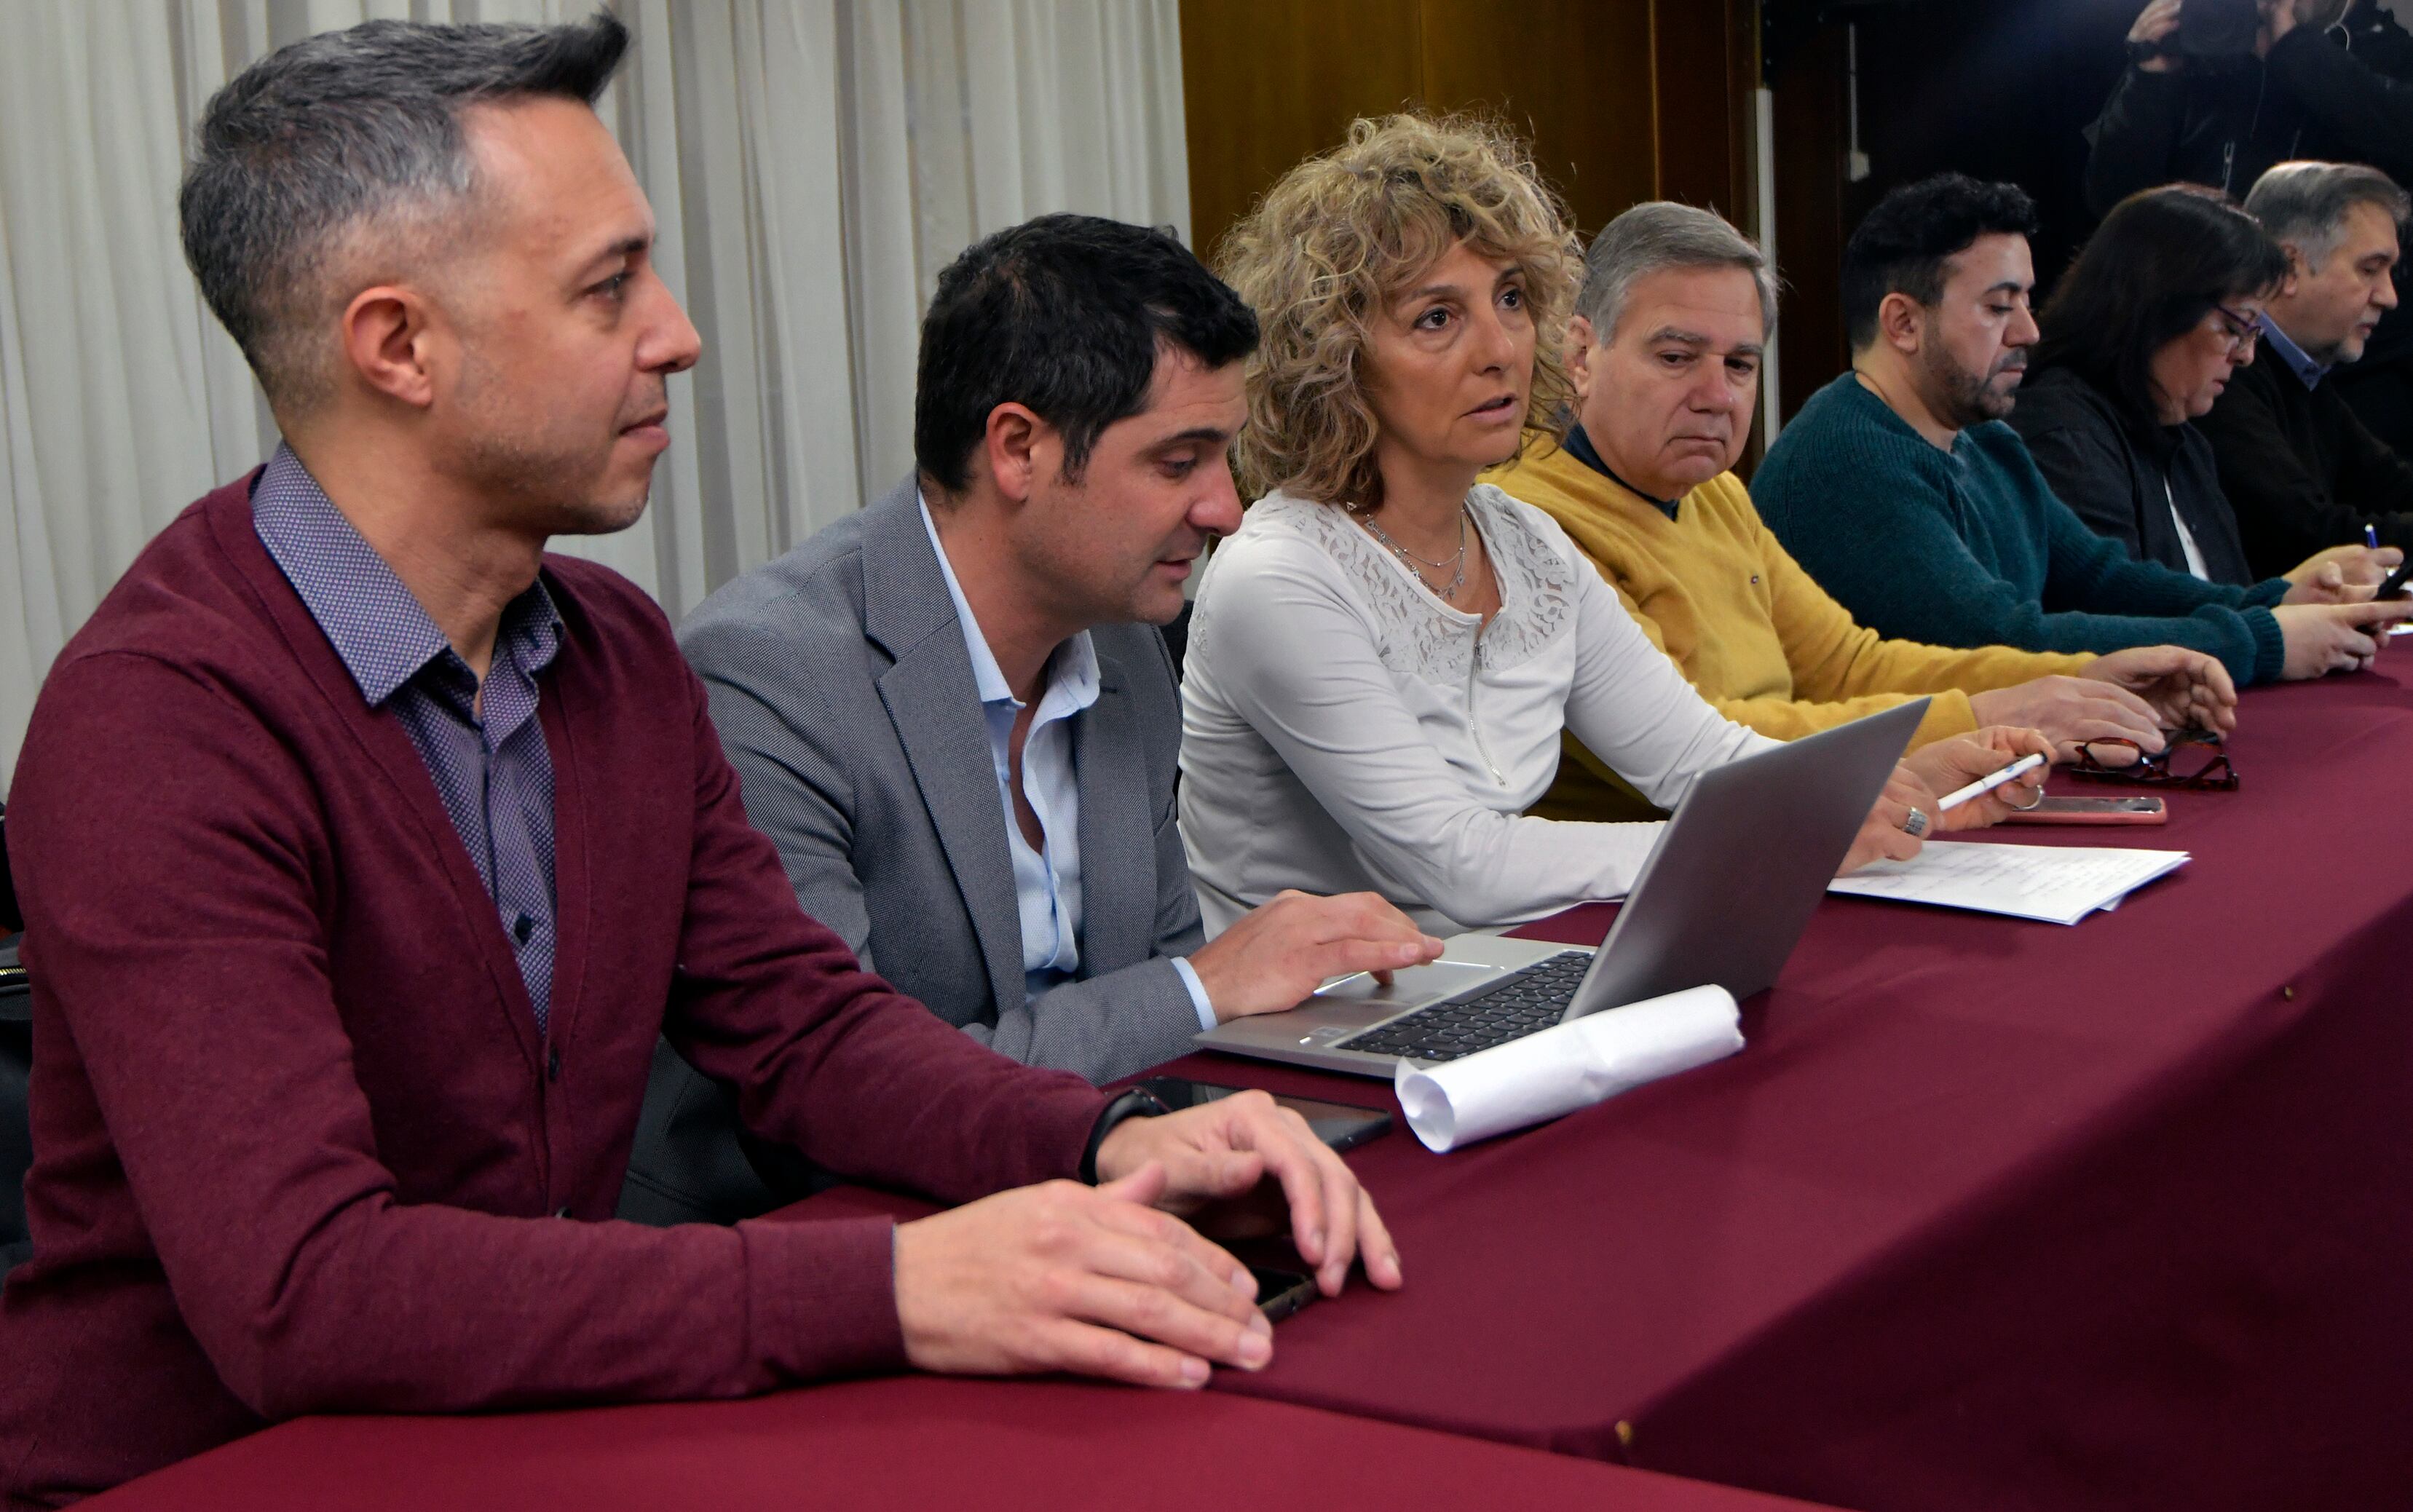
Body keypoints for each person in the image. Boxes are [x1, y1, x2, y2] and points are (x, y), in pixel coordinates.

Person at [0, 18, 1397, 1505]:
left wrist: (1113, 1134)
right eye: (609, 287)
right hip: (209, 1472)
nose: (676, 332)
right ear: (396, 345)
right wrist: (900, 1288)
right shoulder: (159, 719)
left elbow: (802, 1030)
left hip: (533, 1429)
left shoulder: (608, 649)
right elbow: (305, 1288)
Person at [620, 215, 1444, 1225]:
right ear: (1016, 448)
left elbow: (1166, 1006)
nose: (1226, 508)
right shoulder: (770, 674)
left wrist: (1205, 1018)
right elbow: (844, 1092)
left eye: (1223, 458)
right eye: (1178, 460)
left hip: (1081, 1193)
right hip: (812, 1232)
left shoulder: (1130, 642)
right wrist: (1201, 987)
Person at [1177, 115, 2053, 938]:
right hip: (1295, 1040)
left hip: (1494, 975)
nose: (1501, 347)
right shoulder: (1280, 574)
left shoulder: (1524, 540)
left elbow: (1699, 756)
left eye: (1513, 299)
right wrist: (1795, 830)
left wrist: (1886, 786)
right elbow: (1463, 864)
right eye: (1437, 316)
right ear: (1332, 357)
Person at [1488, 202, 2235, 826]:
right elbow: (1702, 744)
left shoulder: (1714, 493)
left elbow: (1848, 665)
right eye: (1677, 358)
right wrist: (1994, 712)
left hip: (1791, 829)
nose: (1716, 395)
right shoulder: (1534, 525)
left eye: (1740, 365)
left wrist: (2083, 678)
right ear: (1581, 355)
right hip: (1645, 885)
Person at [1752, 173, 2407, 686]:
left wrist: (2275, 599)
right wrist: (2261, 638)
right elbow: (2000, 642)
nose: (2028, 332)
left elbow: (2101, 578)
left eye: (2027, 303)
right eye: (1998, 307)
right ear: (1902, 323)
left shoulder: (1988, 441)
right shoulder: (1849, 460)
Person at [2008, 185, 2390, 595]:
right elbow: (2127, 617)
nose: (2245, 356)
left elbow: (2224, 598)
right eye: (2233, 328)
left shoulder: (2187, 442)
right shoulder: (2065, 435)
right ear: (2156, 307)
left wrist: (2295, 597)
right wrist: (2281, 602)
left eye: (2252, 333)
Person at [2089, 0, 2413, 453]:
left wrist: (2292, 49)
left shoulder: (2392, 57)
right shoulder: (2205, 51)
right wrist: (2148, 77)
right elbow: (2114, 200)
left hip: (2355, 371)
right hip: (2197, 337)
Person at [2197, 160, 2413, 577]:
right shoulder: (2227, 376)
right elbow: (2306, 536)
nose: (2389, 297)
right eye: (2370, 269)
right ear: (2289, 268)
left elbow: (2390, 486)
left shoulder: (2303, 373)